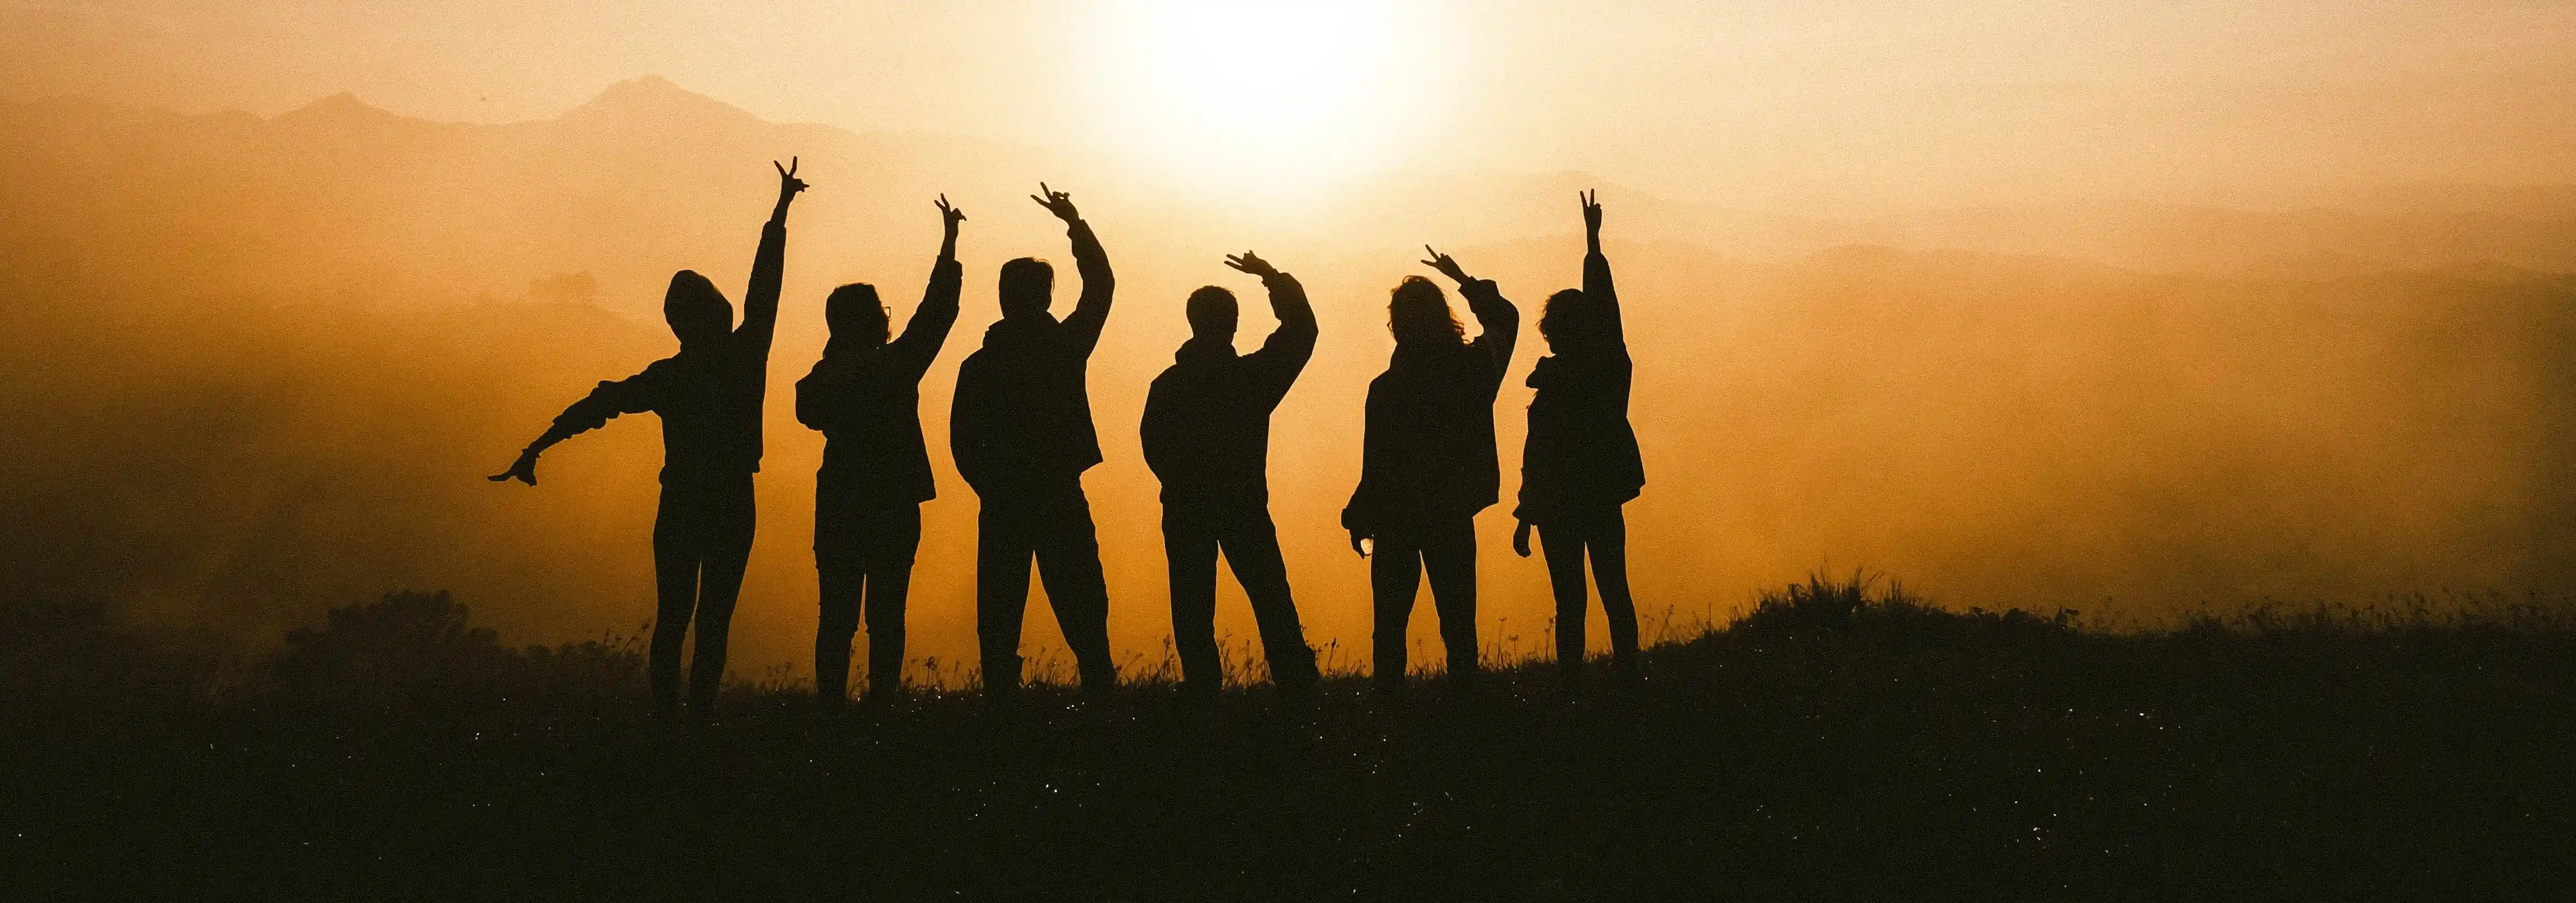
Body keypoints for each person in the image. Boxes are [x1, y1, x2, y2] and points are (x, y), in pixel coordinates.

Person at [492, 158, 807, 720]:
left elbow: (599, 404)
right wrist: (780, 213)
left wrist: (537, 447)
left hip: (681, 500)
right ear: (716, 312)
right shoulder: (745, 355)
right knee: (713, 621)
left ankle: (666, 722)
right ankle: (698, 721)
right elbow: (766, 287)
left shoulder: (668, 378)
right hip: (732, 499)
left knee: (673, 618)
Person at [795, 196, 966, 710]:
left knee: (836, 618)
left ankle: (831, 708)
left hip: (840, 503)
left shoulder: (824, 377)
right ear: (876, 321)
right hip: (894, 504)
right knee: (887, 617)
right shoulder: (897, 366)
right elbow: (937, 314)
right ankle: (882, 707)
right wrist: (949, 246)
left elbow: (807, 409)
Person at [950, 183, 1118, 700]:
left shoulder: (980, 365)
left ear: (1004, 297)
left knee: (999, 608)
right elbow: (1101, 285)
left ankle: (1001, 702)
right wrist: (1074, 223)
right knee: (1081, 600)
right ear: (1046, 297)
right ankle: (1100, 693)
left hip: (1003, 499)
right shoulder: (1063, 348)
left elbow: (963, 443)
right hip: (1057, 493)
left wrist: (990, 485)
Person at [1140, 251, 1322, 700]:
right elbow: (1302, 331)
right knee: (1270, 596)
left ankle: (1203, 691)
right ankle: (1296, 683)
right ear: (1234, 325)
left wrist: (1181, 483)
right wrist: (1271, 278)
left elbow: (1153, 446)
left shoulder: (1167, 386)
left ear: (1191, 323)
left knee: (1191, 605)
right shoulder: (1251, 379)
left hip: (1185, 507)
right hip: (1243, 505)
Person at [1343, 246, 1520, 696]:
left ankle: (1388, 709)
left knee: (1389, 625)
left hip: (1396, 518)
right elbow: (1505, 320)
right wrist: (1464, 280)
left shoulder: (1386, 389)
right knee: (1458, 621)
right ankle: (1464, 708)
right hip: (1451, 511)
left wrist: (1359, 515)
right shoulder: (1474, 370)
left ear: (1397, 326)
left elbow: (1376, 465)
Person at [1512, 191, 1645, 687]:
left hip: (1556, 506)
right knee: (1614, 589)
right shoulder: (1608, 369)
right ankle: (1627, 678)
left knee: (1570, 599)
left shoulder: (1556, 385)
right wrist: (1592, 246)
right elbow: (1607, 311)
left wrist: (1526, 514)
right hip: (1600, 495)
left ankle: (1572, 687)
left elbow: (1537, 459)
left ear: (1552, 332)